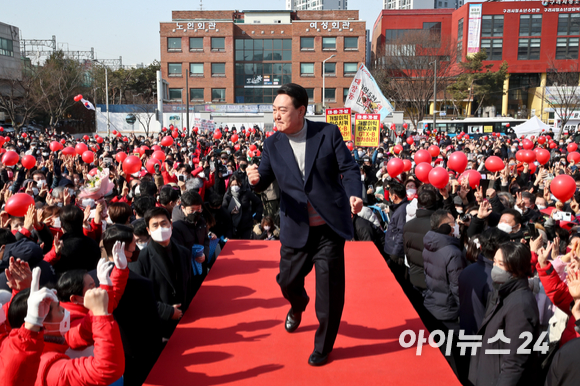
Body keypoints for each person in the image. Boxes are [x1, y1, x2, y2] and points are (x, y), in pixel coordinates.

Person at [247, 83, 363, 366]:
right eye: (274, 110)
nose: (276, 115)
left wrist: (354, 194)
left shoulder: (327, 133)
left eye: (282, 110)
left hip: (328, 228)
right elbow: (263, 177)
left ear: (301, 111)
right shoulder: (272, 143)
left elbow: (348, 168)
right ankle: (297, 306)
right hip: (295, 226)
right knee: (286, 282)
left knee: (329, 293)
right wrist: (254, 180)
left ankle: (323, 348)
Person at [469, 242, 540, 386]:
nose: (495, 267)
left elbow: (514, 363)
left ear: (516, 268)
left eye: (500, 264)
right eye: (494, 262)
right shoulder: (501, 291)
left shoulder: (521, 305)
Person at [129, 207, 194, 338]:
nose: (160, 228)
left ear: (171, 224)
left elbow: (189, 284)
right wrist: (167, 311)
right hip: (160, 327)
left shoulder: (184, 252)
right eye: (155, 225)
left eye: (164, 223)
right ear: (148, 230)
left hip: (187, 321)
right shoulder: (140, 259)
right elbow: (140, 298)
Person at [422, 209, 466, 332]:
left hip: (432, 303)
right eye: (453, 223)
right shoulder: (453, 253)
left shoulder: (429, 243)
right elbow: (457, 287)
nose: (456, 225)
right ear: (445, 227)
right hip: (448, 311)